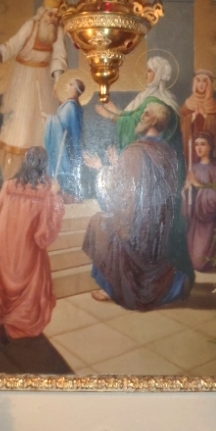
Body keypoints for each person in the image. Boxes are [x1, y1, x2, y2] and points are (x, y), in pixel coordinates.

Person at [82, 102, 193, 311]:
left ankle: (113, 288)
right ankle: (174, 284)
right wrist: (117, 165)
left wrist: (101, 168)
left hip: (137, 224)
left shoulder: (136, 151)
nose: (140, 118)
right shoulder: (166, 151)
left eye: (145, 115)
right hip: (158, 226)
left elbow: (123, 193)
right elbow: (143, 184)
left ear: (153, 120)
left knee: (99, 223)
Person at [0, 147, 64, 344]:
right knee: (30, 272)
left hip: (6, 244)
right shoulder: (45, 192)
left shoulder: (8, 185)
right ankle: (19, 319)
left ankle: (2, 315)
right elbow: (46, 230)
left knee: (3, 276)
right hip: (28, 249)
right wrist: (55, 195)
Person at [0, 0, 68, 179]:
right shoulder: (31, 26)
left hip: (44, 81)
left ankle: (37, 174)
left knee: (40, 125)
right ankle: (13, 174)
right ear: (43, 13)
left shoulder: (57, 31)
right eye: (50, 14)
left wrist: (59, 81)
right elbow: (13, 44)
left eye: (56, 15)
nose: (52, 19)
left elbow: (59, 56)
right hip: (22, 78)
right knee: (20, 123)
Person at [181, 131, 216, 271]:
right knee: (192, 261)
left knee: (200, 263)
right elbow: (187, 194)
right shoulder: (193, 168)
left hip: (209, 221)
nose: (199, 148)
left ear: (210, 147)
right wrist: (186, 190)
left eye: (202, 144)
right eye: (196, 145)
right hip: (195, 220)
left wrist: (198, 185)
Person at [43, 78, 85, 201]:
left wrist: (47, 117)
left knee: (63, 170)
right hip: (68, 144)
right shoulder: (71, 104)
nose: (67, 85)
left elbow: (60, 124)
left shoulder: (70, 106)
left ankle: (65, 197)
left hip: (65, 146)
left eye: (70, 84)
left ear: (75, 90)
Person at [180, 70, 216, 169]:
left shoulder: (213, 104)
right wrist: (193, 116)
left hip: (208, 147)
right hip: (192, 146)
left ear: (208, 84)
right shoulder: (189, 103)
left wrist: (206, 116)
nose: (201, 84)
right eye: (198, 81)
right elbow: (181, 122)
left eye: (204, 81)